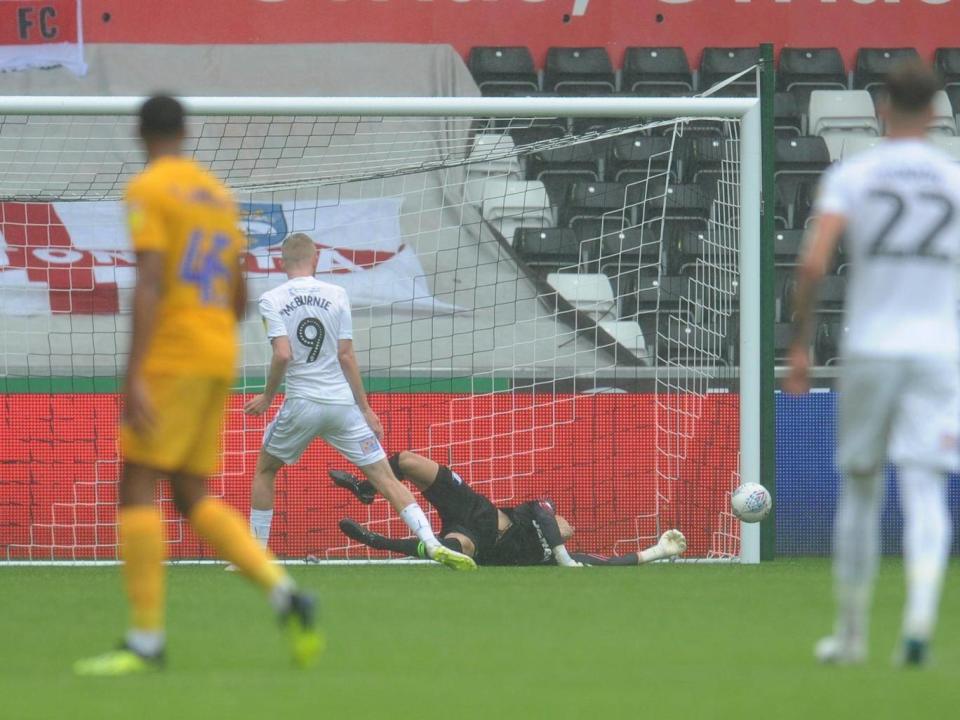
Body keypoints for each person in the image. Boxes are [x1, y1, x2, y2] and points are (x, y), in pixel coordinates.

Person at [74, 97, 321, 677]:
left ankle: (145, 640)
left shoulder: (149, 189)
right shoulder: (216, 194)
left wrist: (135, 368)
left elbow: (151, 280)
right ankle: (288, 597)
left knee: (136, 483)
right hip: (218, 355)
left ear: (140, 134)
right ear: (186, 132)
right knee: (190, 494)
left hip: (176, 353)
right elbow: (237, 293)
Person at [786, 60, 959, 667]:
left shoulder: (855, 174)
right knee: (925, 486)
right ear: (937, 112)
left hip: (873, 348)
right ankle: (918, 622)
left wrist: (801, 343)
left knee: (861, 490)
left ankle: (853, 634)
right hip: (939, 350)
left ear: (882, 107)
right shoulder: (953, 178)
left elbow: (811, 265)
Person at [241, 233, 476, 571]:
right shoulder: (337, 294)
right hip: (341, 406)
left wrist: (267, 396)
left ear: (281, 263)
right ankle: (432, 543)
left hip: (302, 402)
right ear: (317, 259)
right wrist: (365, 409)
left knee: (266, 470)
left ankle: (255, 556)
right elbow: (346, 355)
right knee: (385, 478)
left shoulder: (271, 299)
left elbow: (282, 354)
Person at [333, 450, 687, 567]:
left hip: (481, 541)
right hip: (474, 507)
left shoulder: (554, 558)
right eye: (564, 521)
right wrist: (565, 560)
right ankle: (366, 489)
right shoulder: (538, 511)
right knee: (408, 461)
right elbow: (549, 520)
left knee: (453, 550)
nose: (568, 525)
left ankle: (376, 541)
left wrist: (658, 551)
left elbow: (609, 564)